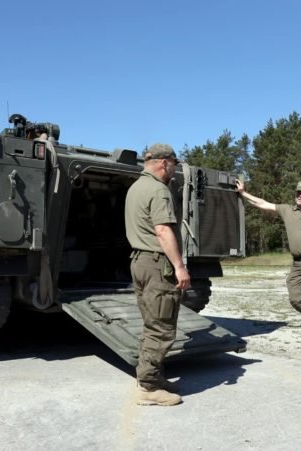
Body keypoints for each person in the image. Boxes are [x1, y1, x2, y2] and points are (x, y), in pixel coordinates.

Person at [235, 179, 301, 350]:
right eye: (298, 192)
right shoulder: (287, 210)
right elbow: (263, 204)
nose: (300, 196)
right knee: (296, 298)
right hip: (298, 263)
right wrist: (243, 193)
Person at [124, 143, 190, 407]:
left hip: (140, 262)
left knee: (151, 323)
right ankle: (149, 387)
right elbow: (163, 230)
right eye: (174, 164)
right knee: (161, 328)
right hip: (157, 265)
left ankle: (151, 377)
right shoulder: (159, 190)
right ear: (164, 163)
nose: (175, 169)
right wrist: (179, 266)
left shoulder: (136, 187)